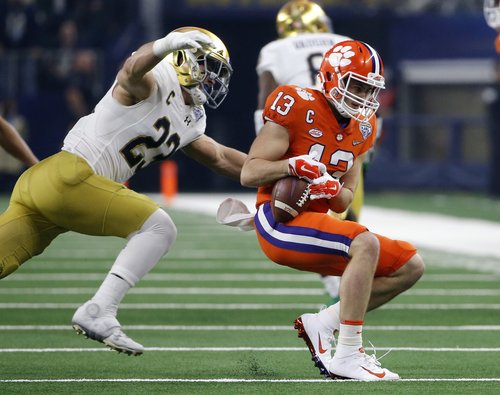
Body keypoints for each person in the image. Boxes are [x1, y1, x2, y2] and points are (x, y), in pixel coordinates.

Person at [0, 27, 246, 356]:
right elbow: (131, 69)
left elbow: (221, 158)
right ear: (183, 59)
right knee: (159, 227)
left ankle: (100, 310)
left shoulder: (192, 118)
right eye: (205, 66)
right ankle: (99, 310)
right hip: (70, 176)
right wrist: (164, 45)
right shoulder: (153, 81)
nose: (212, 78)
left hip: (48, 183)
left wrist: (283, 170)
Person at [240, 40, 425, 380]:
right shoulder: (295, 103)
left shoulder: (363, 127)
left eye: (370, 90)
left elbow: (344, 199)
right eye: (356, 85)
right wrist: (293, 166)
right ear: (330, 77)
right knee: (364, 243)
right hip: (278, 220)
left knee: (410, 265)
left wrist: (332, 187)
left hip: (316, 221)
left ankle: (322, 324)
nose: (363, 97)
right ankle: (348, 354)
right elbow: (250, 172)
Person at [254, 0, 351, 305]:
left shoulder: (275, 49)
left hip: (301, 127)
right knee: (343, 191)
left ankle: (332, 267)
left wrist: (265, 144)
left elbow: (265, 99)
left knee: (294, 193)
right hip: (345, 124)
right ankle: (341, 265)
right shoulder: (345, 43)